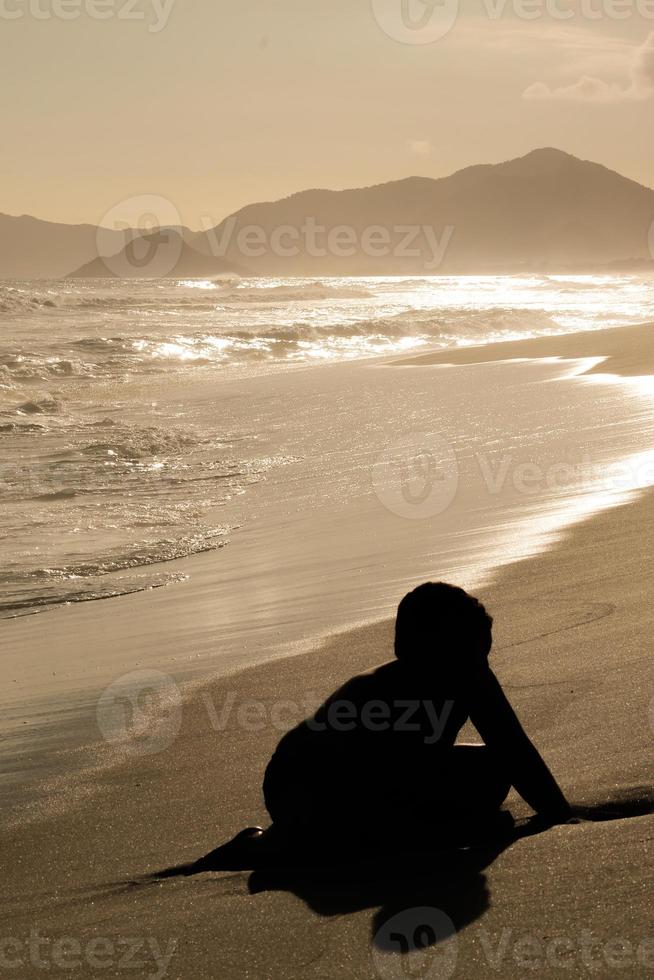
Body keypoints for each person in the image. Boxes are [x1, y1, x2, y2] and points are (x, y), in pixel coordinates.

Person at [200, 582, 574, 869]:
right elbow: (375, 785)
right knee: (361, 831)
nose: (476, 670)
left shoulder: (472, 677)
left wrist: (558, 813)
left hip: (399, 777)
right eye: (459, 657)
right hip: (304, 782)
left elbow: (513, 747)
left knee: (495, 768)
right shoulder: (375, 696)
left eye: (479, 657)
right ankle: (259, 842)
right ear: (409, 653)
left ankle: (431, 825)